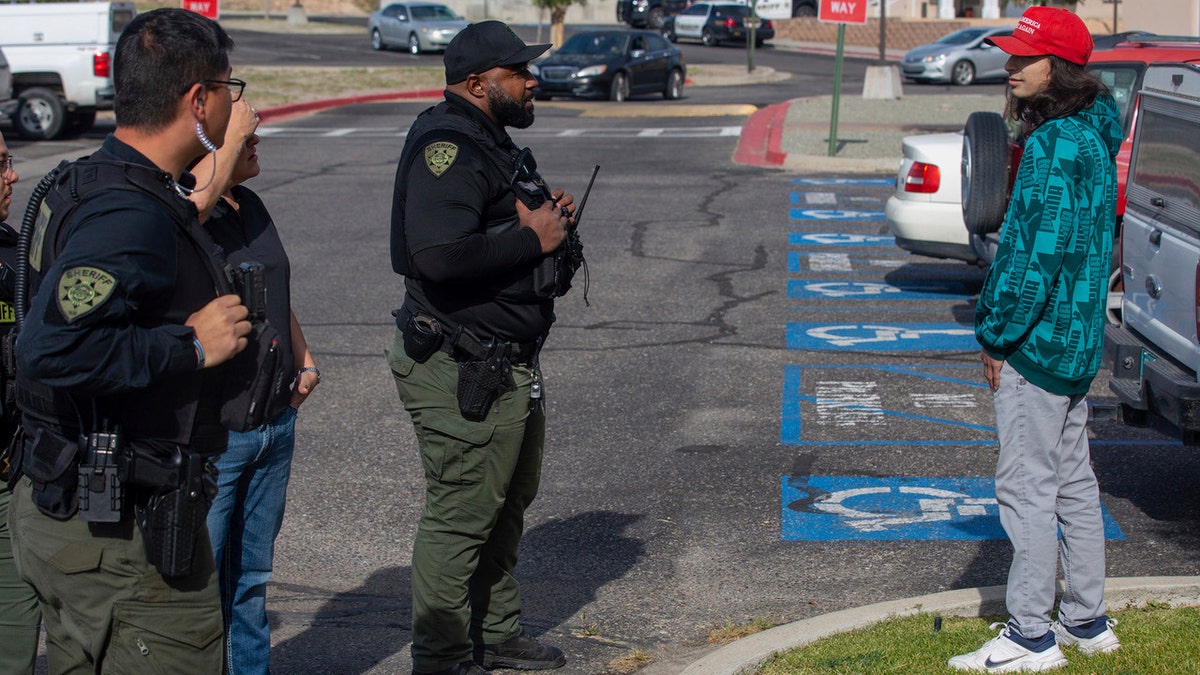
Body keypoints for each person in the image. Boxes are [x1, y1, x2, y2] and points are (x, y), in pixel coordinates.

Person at [7, 8, 256, 672]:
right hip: (120, 531)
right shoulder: (127, 214)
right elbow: (48, 349)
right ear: (197, 99)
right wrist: (190, 346)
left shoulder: (94, 183)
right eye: (229, 89)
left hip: (78, 509)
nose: (235, 104)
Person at [386, 20, 576, 675]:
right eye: (518, 73)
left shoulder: (491, 142)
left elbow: (497, 225)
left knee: (504, 500)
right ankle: (440, 657)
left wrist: (547, 220)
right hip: (460, 361)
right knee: (462, 512)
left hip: (507, 360)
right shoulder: (449, 145)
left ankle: (494, 633)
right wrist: (534, 241)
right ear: (476, 83)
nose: (531, 82)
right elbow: (436, 256)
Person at [950, 7, 1123, 672]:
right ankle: (1085, 618)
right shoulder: (1091, 134)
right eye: (1012, 54)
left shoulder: (1054, 145)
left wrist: (994, 335)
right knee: (1074, 481)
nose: (1012, 65)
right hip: (1077, 343)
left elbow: (1031, 259)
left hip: (1039, 345)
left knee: (1026, 487)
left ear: (1063, 68)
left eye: (1028, 56)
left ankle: (1030, 635)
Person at [197, 121, 321, 675]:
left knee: (251, 582)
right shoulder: (186, 214)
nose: (256, 139)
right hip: (219, 433)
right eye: (245, 131)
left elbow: (274, 285)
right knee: (201, 583)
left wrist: (306, 358)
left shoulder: (249, 203)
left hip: (274, 420)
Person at [0, 132, 42, 675]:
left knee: (12, 646)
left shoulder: (15, 254)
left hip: (10, 474)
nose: (12, 176)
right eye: (1, 164)